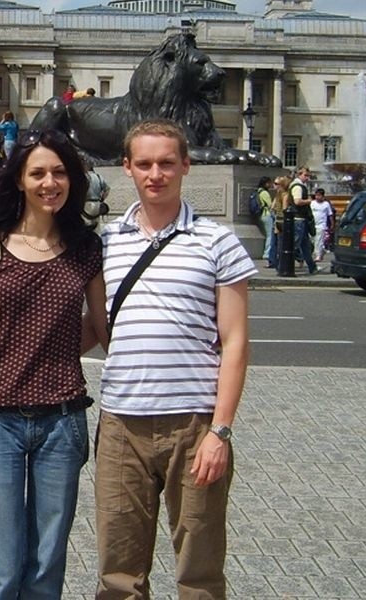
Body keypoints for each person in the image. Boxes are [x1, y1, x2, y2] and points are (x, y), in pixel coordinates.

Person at [0, 128, 107, 598]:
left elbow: (101, 326)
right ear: (21, 181)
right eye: (39, 173)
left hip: (62, 422)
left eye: (60, 172)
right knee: (0, 570)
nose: (50, 183)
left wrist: (53, 347)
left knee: (46, 567)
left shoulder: (86, 249)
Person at [95, 119, 257, 599]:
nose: (156, 173)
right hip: (121, 424)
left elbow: (236, 341)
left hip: (194, 424)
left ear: (186, 165)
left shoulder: (217, 241)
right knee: (118, 572)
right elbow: (96, 328)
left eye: (167, 162)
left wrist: (220, 432)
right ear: (127, 168)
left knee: (199, 569)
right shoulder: (105, 241)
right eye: (144, 163)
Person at [289, 166, 319, 274]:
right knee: (295, 243)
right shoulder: (297, 187)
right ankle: (283, 264)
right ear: (299, 174)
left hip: (302, 219)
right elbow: (297, 201)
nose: (307, 178)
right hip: (298, 219)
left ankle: (312, 267)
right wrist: (308, 201)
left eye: (308, 175)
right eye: (305, 175)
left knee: (305, 245)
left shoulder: (300, 185)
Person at [270, 175, 292, 272]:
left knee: (278, 244)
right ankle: (282, 265)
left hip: (277, 221)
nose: (274, 185)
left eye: (276, 184)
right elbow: (285, 209)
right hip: (283, 221)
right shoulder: (285, 195)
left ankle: (278, 264)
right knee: (283, 245)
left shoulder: (278, 195)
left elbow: (272, 207)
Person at [310, 188, 334, 262]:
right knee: (313, 240)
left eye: (319, 195)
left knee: (319, 240)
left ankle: (318, 255)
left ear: (323, 196)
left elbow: (330, 214)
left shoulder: (326, 204)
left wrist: (332, 224)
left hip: (322, 225)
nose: (317, 197)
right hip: (313, 224)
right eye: (316, 195)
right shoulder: (312, 203)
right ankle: (322, 250)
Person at [256, 176, 274, 264]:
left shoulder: (258, 191)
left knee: (267, 234)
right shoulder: (265, 193)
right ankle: (267, 253)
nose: (271, 184)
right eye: (270, 183)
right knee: (270, 235)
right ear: (266, 183)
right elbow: (270, 205)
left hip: (261, 215)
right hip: (267, 215)